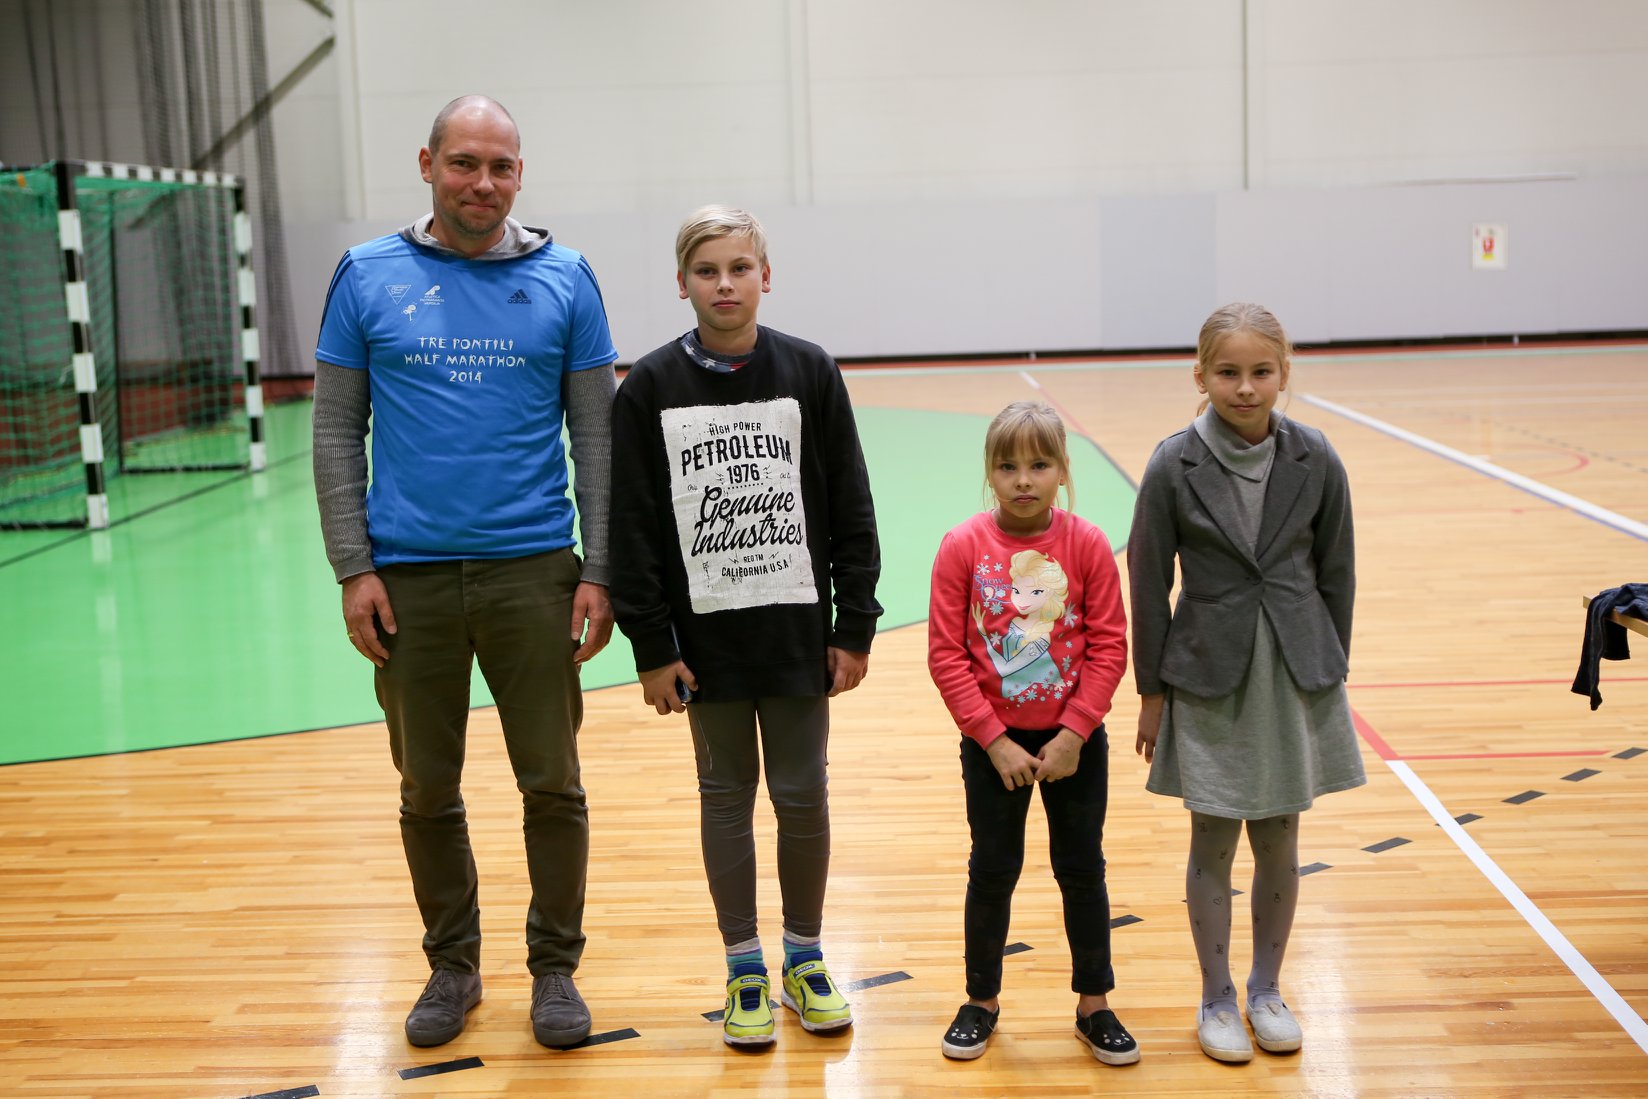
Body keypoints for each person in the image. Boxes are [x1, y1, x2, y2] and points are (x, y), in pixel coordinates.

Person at [312, 94, 618, 1050]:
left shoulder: (567, 277)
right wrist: (352, 566)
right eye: (464, 163)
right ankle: (453, 964)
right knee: (426, 788)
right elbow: (334, 430)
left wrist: (601, 567)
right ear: (427, 164)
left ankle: (555, 968)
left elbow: (598, 438)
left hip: (535, 574)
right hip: (407, 584)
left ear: (520, 174)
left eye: (501, 166)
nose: (482, 183)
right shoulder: (365, 274)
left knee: (553, 782)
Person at [608, 205, 881, 1048]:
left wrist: (854, 623)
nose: (724, 285)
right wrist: (652, 646)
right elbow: (632, 527)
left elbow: (851, 502)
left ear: (767, 274)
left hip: (797, 637)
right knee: (725, 797)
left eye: (739, 268)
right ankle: (744, 969)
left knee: (802, 794)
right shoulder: (649, 387)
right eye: (707, 271)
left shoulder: (810, 370)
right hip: (705, 648)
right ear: (681, 282)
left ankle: (804, 956)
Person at [1129, 302, 1365, 1063]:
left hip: (1292, 672)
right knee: (1213, 837)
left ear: (1284, 373)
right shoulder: (1172, 464)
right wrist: (1152, 693)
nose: (1245, 387)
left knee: (1280, 836)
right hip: (1208, 675)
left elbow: (1337, 570)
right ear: (1200, 376)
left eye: (1261, 371)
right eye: (1227, 372)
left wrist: (1326, 666)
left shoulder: (1316, 455)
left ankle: (1267, 989)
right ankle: (1217, 996)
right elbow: (1148, 584)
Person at [927, 400, 1139, 1067]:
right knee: (992, 870)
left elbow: (1109, 645)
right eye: (1008, 466)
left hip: (1075, 746)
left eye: (1040, 465)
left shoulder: (1088, 544)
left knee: (1082, 868)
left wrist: (1075, 733)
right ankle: (981, 1000)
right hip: (994, 749)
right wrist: (992, 740)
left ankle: (1094, 1004)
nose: (1023, 479)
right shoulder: (962, 546)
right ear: (989, 472)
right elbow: (946, 654)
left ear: (1063, 470)